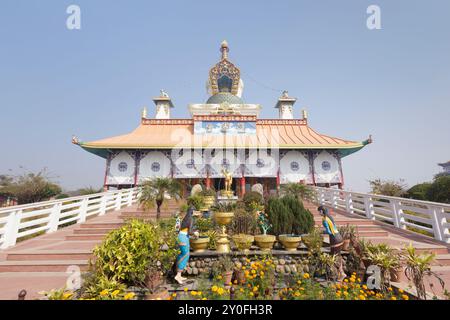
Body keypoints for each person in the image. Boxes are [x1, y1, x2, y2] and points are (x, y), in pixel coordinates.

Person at [318, 205, 347, 281]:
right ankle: (340, 273)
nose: (319, 212)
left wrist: (321, 232)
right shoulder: (330, 217)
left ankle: (340, 273)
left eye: (319, 211)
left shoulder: (324, 219)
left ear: (322, 211)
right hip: (339, 237)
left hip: (334, 239)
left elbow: (328, 231)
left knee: (334, 256)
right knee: (337, 255)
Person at [174, 206, 200, 285]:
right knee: (186, 255)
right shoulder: (191, 219)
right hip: (184, 238)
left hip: (181, 237)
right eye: (195, 211)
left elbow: (185, 230)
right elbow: (190, 232)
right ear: (192, 212)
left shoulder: (186, 218)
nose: (196, 213)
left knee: (182, 254)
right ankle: (178, 275)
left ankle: (179, 273)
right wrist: (195, 233)